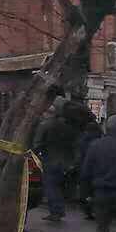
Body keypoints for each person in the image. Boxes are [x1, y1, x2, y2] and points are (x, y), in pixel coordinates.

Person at [35, 96, 82, 224]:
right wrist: (73, 162)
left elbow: (37, 144)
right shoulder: (69, 127)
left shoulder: (45, 125)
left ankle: (56, 211)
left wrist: (37, 156)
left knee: (50, 186)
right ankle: (59, 209)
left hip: (50, 161)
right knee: (58, 187)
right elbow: (75, 145)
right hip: (66, 162)